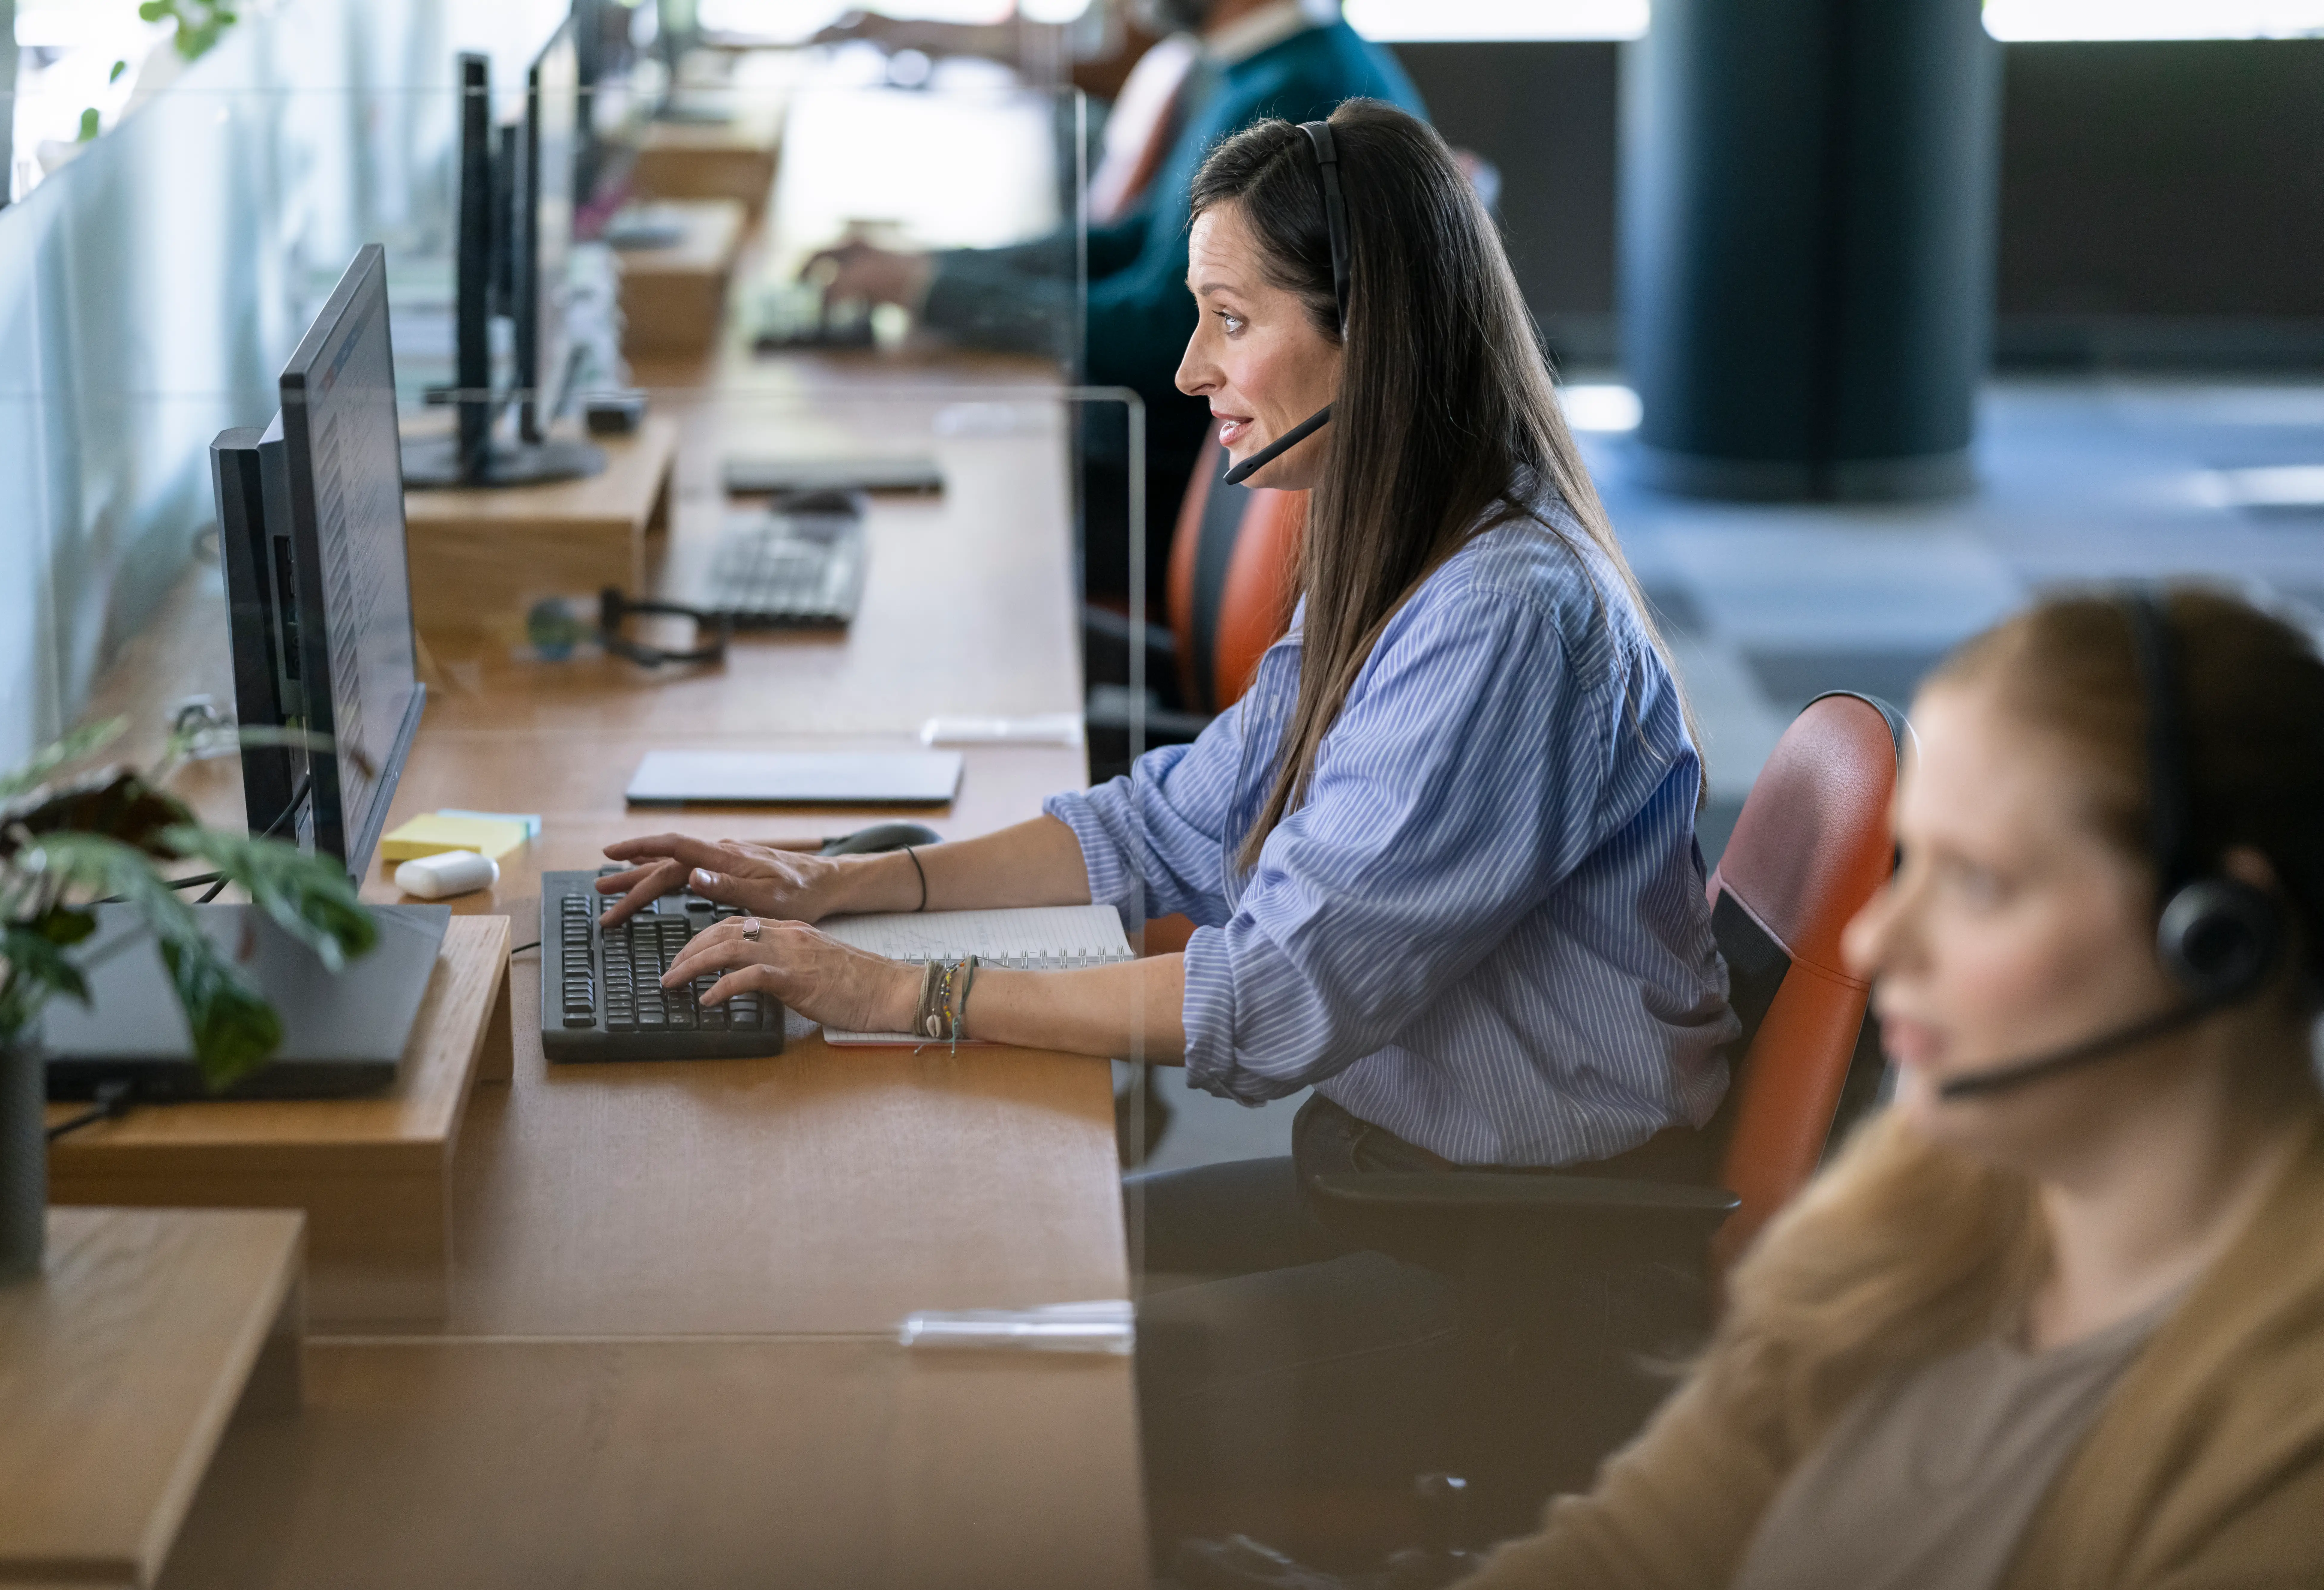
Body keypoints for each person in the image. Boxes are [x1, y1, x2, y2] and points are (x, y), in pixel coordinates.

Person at [598, 98, 1728, 1510]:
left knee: (991, 1414)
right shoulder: (1408, 539)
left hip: (1528, 1263)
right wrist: (841, 885)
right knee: (978, 1287)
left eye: (1229, 322)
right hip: (1401, 1179)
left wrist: (901, 997)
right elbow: (1161, 827)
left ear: (1367, 331)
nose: (1191, 367)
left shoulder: (1500, 616)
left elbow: (1261, 999)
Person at [1367, 586, 2324, 1590]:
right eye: (1909, 860)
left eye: (1976, 883)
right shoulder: (1925, 1197)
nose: (1871, 945)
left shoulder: (2286, 1434)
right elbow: (1630, 1560)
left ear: (2219, 937)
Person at [811, 0, 1423, 620]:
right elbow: (1131, 245)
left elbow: (1159, 335)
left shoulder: (1293, 97)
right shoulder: (1278, 64)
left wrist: (936, 294)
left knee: (913, 534)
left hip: (1167, 483)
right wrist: (932, 271)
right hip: (1172, 463)